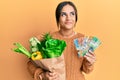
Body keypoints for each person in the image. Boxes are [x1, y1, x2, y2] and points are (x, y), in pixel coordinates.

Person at [27, 1, 96, 80]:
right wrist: (43, 75)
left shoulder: (82, 39)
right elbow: (30, 64)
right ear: (58, 18)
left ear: (76, 17)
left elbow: (86, 70)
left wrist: (89, 63)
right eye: (63, 14)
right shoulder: (48, 39)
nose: (68, 18)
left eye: (72, 14)